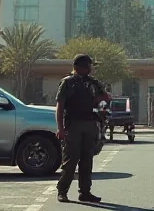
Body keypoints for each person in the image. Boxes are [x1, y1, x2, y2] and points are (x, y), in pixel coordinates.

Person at [55, 53, 111, 204]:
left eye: (90, 66)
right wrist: (60, 127)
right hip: (73, 125)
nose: (89, 69)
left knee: (87, 160)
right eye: (87, 66)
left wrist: (97, 100)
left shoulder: (93, 83)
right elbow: (60, 106)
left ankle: (85, 192)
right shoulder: (67, 83)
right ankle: (62, 191)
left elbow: (106, 97)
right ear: (77, 67)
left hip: (89, 123)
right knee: (70, 161)